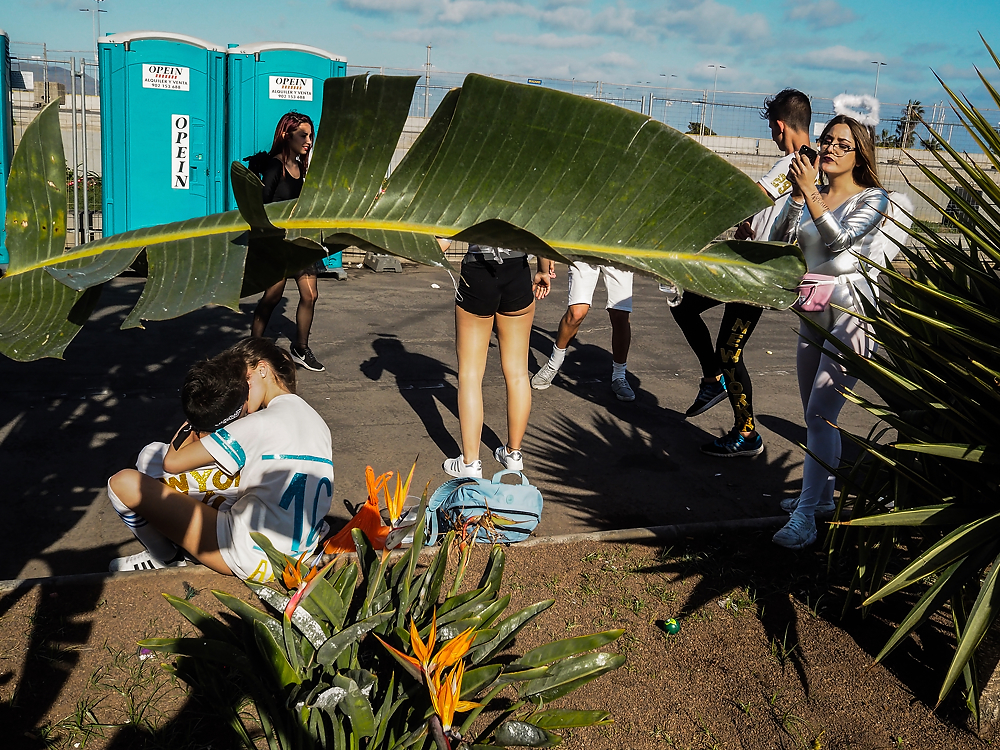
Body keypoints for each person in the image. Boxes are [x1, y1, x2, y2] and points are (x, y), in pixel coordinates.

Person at [107, 339, 334, 581]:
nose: (240, 392)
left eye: (244, 380)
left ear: (263, 369)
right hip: (298, 554)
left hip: (251, 556)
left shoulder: (257, 423)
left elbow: (172, 462)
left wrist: (201, 412)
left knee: (123, 482)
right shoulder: (317, 422)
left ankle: (166, 558)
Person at [669, 88, 813, 458]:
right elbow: (766, 207)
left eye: (771, 128)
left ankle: (744, 430)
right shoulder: (801, 164)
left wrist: (736, 213)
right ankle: (716, 384)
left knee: (727, 348)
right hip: (750, 266)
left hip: (758, 274)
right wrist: (751, 223)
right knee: (689, 309)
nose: (772, 136)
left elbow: (751, 194)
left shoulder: (798, 163)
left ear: (780, 126)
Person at [770, 111, 890, 549]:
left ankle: (805, 519)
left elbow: (841, 242)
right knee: (815, 417)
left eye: (843, 144)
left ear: (859, 154)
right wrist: (798, 199)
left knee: (820, 414)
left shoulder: (873, 198)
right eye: (827, 140)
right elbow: (784, 242)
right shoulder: (810, 192)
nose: (831, 149)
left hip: (852, 314)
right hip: (813, 306)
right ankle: (820, 499)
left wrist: (811, 197)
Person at [443, 245, 551, 478]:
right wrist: (543, 269)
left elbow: (442, 241)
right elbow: (537, 236)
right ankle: (513, 454)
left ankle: (470, 463)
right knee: (519, 373)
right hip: (517, 270)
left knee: (470, 375)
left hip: (478, 270)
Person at [249, 112, 325, 372]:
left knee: (311, 294)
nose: (308, 141)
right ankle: (253, 348)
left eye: (310, 136)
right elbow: (261, 207)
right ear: (286, 135)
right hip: (277, 244)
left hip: (300, 242)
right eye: (303, 135)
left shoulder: (300, 166)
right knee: (272, 296)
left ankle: (300, 348)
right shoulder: (274, 166)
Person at [531, 260, 636, 401]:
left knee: (620, 315)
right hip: (584, 250)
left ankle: (619, 376)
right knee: (576, 313)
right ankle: (552, 365)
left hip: (618, 250)